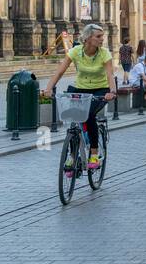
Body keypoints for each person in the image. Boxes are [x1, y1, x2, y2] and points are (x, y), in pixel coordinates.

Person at [43, 22, 114, 173]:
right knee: (74, 119)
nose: (102, 39)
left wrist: (112, 91)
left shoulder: (104, 53)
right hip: (80, 88)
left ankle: (94, 154)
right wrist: (48, 88)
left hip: (100, 89)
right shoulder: (75, 51)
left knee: (88, 116)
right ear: (88, 38)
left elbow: (110, 74)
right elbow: (60, 71)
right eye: (99, 36)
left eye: (102, 36)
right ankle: (73, 155)